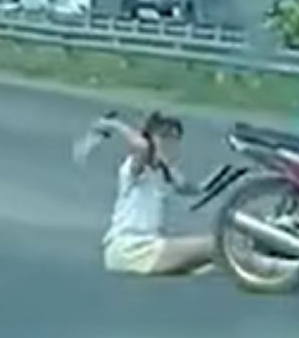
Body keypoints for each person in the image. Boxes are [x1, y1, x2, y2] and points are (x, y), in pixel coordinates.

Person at [79, 111, 217, 276]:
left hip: (150, 245)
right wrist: (113, 124)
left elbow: (196, 189)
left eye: (175, 138)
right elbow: (141, 147)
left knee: (218, 262)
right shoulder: (135, 168)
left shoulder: (166, 173)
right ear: (151, 139)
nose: (170, 144)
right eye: (164, 137)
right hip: (130, 248)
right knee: (216, 244)